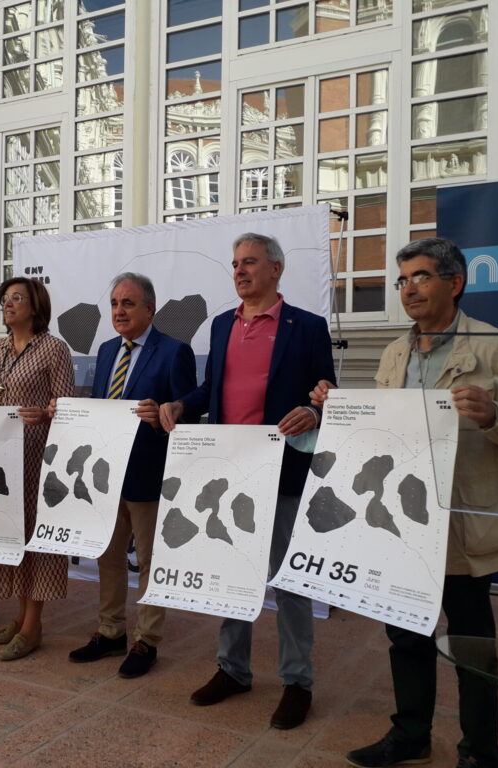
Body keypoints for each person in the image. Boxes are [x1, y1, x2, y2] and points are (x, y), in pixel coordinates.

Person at [311, 237, 498, 768]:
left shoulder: (493, 346)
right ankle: (410, 734)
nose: (408, 289)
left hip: (461, 517)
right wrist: (338, 408)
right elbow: (381, 430)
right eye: (402, 280)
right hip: (402, 518)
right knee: (405, 635)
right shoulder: (396, 351)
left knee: (472, 644)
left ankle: (480, 751)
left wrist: (495, 416)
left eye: (420, 277)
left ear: (454, 283)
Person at [160, 232, 335, 730]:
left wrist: (313, 411)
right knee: (231, 574)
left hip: (283, 471)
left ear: (275, 269)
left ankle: (297, 682)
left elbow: (327, 393)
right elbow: (210, 389)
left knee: (288, 582)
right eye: (235, 263)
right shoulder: (221, 325)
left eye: (250, 262)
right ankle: (233, 670)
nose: (239, 270)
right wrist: (181, 405)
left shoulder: (307, 327)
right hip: (229, 472)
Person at [66, 273, 196, 678]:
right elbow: (101, 409)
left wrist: (162, 418)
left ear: (150, 309)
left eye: (128, 303)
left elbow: (187, 415)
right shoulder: (106, 351)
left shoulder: (175, 352)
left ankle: (147, 640)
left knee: (150, 560)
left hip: (149, 473)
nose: (119, 311)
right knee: (109, 558)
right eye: (114, 303)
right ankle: (111, 632)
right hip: (107, 474)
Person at [0, 277, 74, 661]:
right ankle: (20, 618)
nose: (7, 304)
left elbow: (67, 407)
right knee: (12, 536)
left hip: (37, 457)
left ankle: (33, 625)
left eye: (16, 298)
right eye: (4, 298)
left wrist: (47, 414)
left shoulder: (54, 348)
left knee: (35, 539)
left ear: (35, 306)